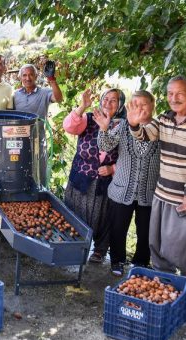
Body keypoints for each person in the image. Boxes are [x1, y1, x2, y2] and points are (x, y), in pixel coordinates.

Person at [129, 76, 186, 294]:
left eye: (179, 93)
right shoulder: (165, 118)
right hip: (162, 192)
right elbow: (145, 136)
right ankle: (163, 283)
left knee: (182, 246)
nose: (173, 98)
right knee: (156, 243)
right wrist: (133, 123)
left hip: (183, 196)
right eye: (169, 94)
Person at [97, 90, 160, 276]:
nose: (139, 108)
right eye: (135, 104)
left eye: (144, 104)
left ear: (153, 106)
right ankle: (117, 261)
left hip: (148, 191)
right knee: (118, 228)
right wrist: (104, 128)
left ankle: (140, 263)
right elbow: (105, 146)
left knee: (146, 231)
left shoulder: (160, 128)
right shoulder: (123, 126)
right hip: (122, 189)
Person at [62, 88, 123, 264]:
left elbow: (129, 156)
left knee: (104, 217)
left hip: (105, 181)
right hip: (82, 177)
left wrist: (113, 168)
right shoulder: (88, 118)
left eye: (114, 100)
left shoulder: (123, 126)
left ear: (120, 105)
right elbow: (69, 126)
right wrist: (82, 106)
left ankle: (99, 250)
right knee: (75, 213)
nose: (108, 103)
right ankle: (71, 247)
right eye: (106, 99)